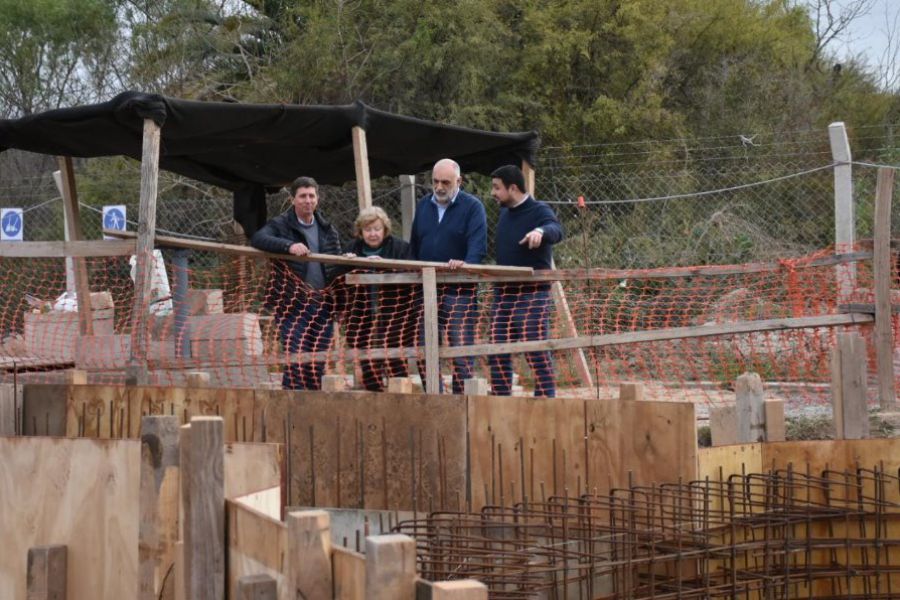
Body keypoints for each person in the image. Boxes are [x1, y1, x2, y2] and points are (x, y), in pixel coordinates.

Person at [250, 176, 343, 390]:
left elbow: (335, 267)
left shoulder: (328, 230)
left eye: (311, 196)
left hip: (323, 305)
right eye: (302, 196)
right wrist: (288, 246)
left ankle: (310, 410)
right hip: (293, 305)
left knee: (316, 363)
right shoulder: (280, 225)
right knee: (296, 359)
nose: (307, 201)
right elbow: (258, 239)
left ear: (317, 199)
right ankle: (290, 411)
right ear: (293, 199)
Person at [409, 158, 487, 394]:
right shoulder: (424, 206)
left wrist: (465, 265)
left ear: (459, 181)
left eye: (445, 182)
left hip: (459, 292)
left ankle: (460, 403)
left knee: (460, 353)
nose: (440, 187)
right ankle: (435, 399)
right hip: (425, 291)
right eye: (435, 182)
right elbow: (414, 246)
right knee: (425, 350)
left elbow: (478, 248)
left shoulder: (473, 207)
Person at [488, 164, 563, 397]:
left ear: (513, 188)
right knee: (498, 350)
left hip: (532, 294)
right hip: (504, 294)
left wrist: (541, 232)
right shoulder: (504, 213)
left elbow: (557, 229)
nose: (493, 192)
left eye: (497, 187)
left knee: (536, 349)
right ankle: (501, 399)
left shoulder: (539, 210)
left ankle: (546, 399)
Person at [341, 206, 415, 391]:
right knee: (368, 362)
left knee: (396, 359)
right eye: (367, 229)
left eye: (376, 229)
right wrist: (346, 263)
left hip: (394, 315)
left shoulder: (400, 248)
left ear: (385, 229)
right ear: (360, 231)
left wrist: (387, 267)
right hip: (361, 315)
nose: (372, 234)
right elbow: (335, 277)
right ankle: (374, 400)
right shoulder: (352, 249)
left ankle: (400, 401)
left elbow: (412, 274)